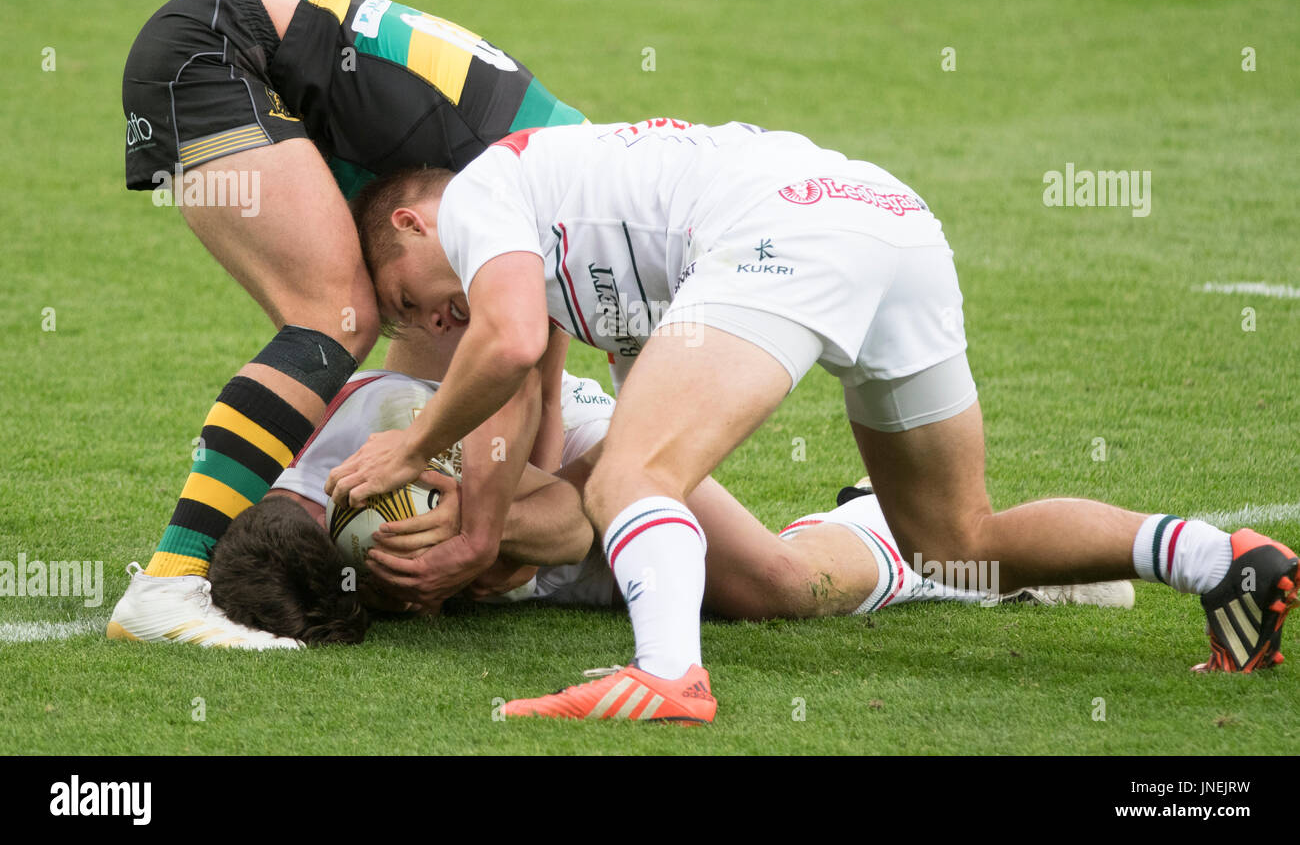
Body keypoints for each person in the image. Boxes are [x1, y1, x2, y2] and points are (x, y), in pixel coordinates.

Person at [327, 118, 1298, 723]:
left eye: (402, 301)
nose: (421, 323)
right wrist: (487, 529)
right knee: (957, 541)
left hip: (786, 230)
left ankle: (669, 675)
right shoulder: (557, 268)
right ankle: (1224, 561)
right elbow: (523, 386)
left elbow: (497, 347)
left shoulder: (482, 194)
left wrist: (407, 446)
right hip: (890, 223)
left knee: (633, 474)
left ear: (414, 226)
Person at [109, 0, 584, 648]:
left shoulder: (554, 197)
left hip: (235, 48)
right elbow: (513, 358)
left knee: (346, 320)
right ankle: (168, 582)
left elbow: (532, 379)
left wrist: (514, 540)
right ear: (408, 222)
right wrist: (486, 529)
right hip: (216, 50)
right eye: (413, 304)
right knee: (338, 316)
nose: (433, 320)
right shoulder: (548, 196)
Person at [208, 366, 1133, 681]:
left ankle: (897, 535)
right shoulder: (275, 506)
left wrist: (475, 543)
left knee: (775, 588)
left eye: (371, 594)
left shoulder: (390, 427)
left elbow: (576, 513)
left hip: (572, 467)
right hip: (508, 542)